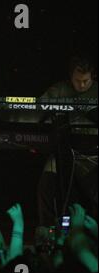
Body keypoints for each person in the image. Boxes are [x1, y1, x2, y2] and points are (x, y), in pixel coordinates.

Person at [38, 54, 98, 226]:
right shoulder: (59, 89)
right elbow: (37, 109)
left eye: (86, 81)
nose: (81, 85)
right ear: (70, 76)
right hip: (62, 151)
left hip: (93, 155)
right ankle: (48, 229)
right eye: (77, 80)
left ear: (92, 77)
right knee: (46, 186)